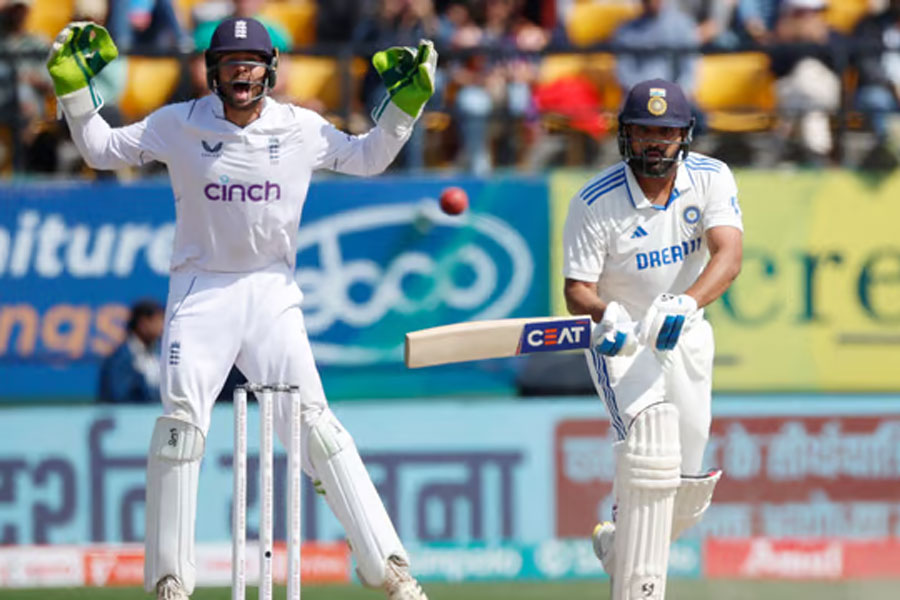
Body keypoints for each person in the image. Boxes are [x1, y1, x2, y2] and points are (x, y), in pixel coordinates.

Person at [46, 16, 436, 600]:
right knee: (181, 425)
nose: (242, 73)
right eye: (231, 63)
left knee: (318, 432)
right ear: (213, 72)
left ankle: (392, 575)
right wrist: (75, 91)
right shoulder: (179, 123)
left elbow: (368, 158)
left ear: (271, 68)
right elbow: (101, 151)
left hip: (271, 292)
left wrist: (402, 109)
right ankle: (171, 583)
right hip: (202, 291)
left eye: (252, 62)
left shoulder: (300, 128)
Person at [561, 79, 743, 600]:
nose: (654, 142)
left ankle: (620, 546)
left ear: (684, 136)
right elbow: (577, 290)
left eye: (666, 132)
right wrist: (608, 313)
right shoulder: (594, 201)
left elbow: (728, 255)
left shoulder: (711, 177)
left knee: (687, 484)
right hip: (622, 345)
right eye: (644, 130)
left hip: (684, 335)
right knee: (648, 451)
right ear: (626, 135)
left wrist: (687, 302)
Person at [98, 299, 165, 404]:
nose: (162, 326)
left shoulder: (158, 355)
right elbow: (118, 397)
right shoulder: (120, 359)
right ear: (143, 323)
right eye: (158, 321)